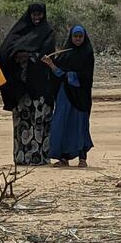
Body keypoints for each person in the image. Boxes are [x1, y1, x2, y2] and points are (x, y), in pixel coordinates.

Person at [0, 2, 56, 165]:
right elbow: (4, 51)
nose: (37, 17)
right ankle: (22, 157)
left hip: (40, 86)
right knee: (22, 121)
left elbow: (46, 54)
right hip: (20, 87)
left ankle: (39, 157)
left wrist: (29, 56)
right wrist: (17, 55)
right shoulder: (19, 31)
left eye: (39, 14)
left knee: (39, 121)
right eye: (34, 14)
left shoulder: (48, 32)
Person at [44, 25, 95, 168]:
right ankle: (63, 158)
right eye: (75, 36)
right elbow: (58, 73)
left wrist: (71, 75)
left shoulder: (87, 53)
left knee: (80, 124)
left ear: (84, 38)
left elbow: (87, 75)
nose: (78, 39)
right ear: (71, 37)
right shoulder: (65, 54)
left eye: (80, 36)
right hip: (65, 94)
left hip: (81, 96)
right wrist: (50, 64)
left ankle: (82, 158)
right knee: (62, 123)